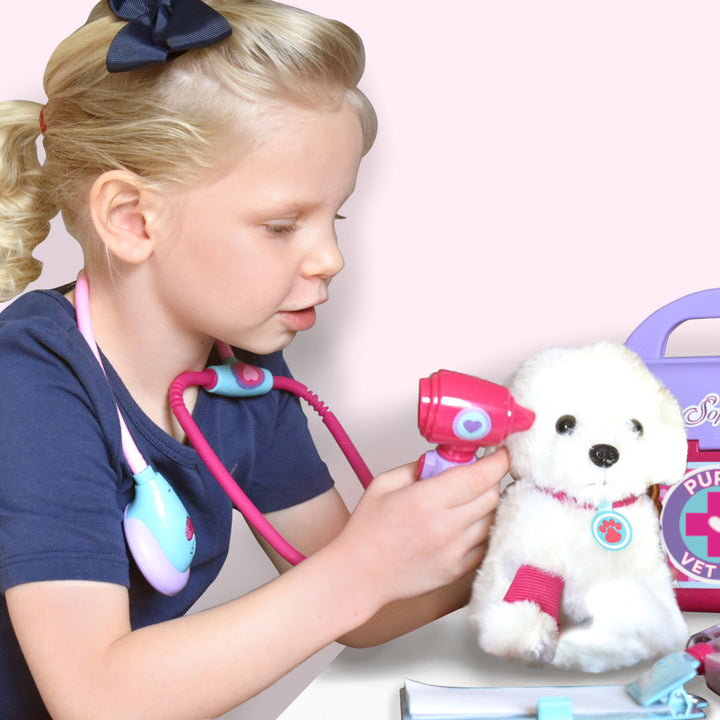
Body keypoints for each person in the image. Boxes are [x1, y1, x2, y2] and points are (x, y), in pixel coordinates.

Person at [0, 1, 508, 718]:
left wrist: (536, 535)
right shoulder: (27, 380)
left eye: (334, 217)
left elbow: (360, 612)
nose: (330, 258)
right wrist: (368, 564)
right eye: (281, 225)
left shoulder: (244, 374)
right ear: (131, 219)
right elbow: (97, 699)